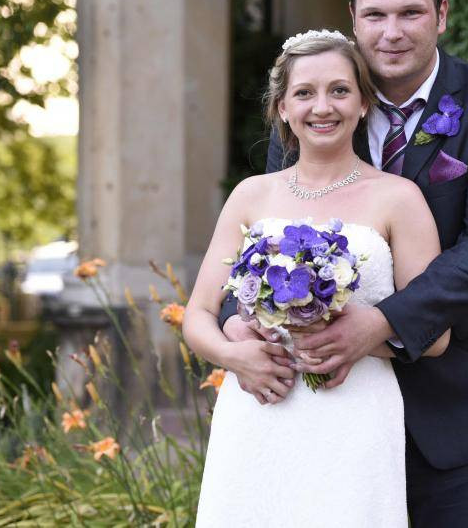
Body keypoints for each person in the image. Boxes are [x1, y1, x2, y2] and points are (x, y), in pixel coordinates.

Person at [218, 0, 468, 527]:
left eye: (411, 12)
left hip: (453, 400)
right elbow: (267, 232)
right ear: (353, 19)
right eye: (375, 15)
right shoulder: (314, 106)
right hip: (323, 410)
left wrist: (382, 324)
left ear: (442, 14)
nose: (391, 32)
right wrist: (238, 320)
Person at [184, 30, 450, 527]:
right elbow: (197, 315)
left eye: (339, 90)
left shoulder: (400, 199)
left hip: (355, 417)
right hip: (258, 411)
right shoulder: (250, 196)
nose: (321, 107)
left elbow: (435, 335)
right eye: (304, 93)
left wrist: (356, 339)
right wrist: (233, 356)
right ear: (282, 107)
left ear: (364, 103)